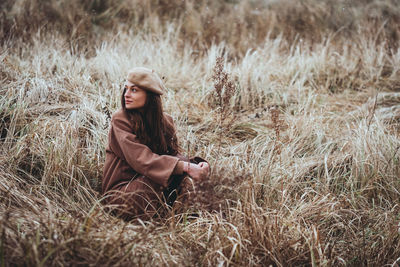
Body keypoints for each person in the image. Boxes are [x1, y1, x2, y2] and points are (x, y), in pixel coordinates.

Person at [102, 67, 210, 220]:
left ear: (150, 95)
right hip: (121, 197)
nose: (126, 94)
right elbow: (142, 160)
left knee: (184, 168)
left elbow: (172, 155)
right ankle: (170, 212)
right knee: (166, 172)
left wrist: (196, 166)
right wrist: (185, 167)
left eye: (134, 90)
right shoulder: (120, 119)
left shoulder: (166, 121)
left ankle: (183, 212)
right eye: (126, 89)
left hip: (149, 188)